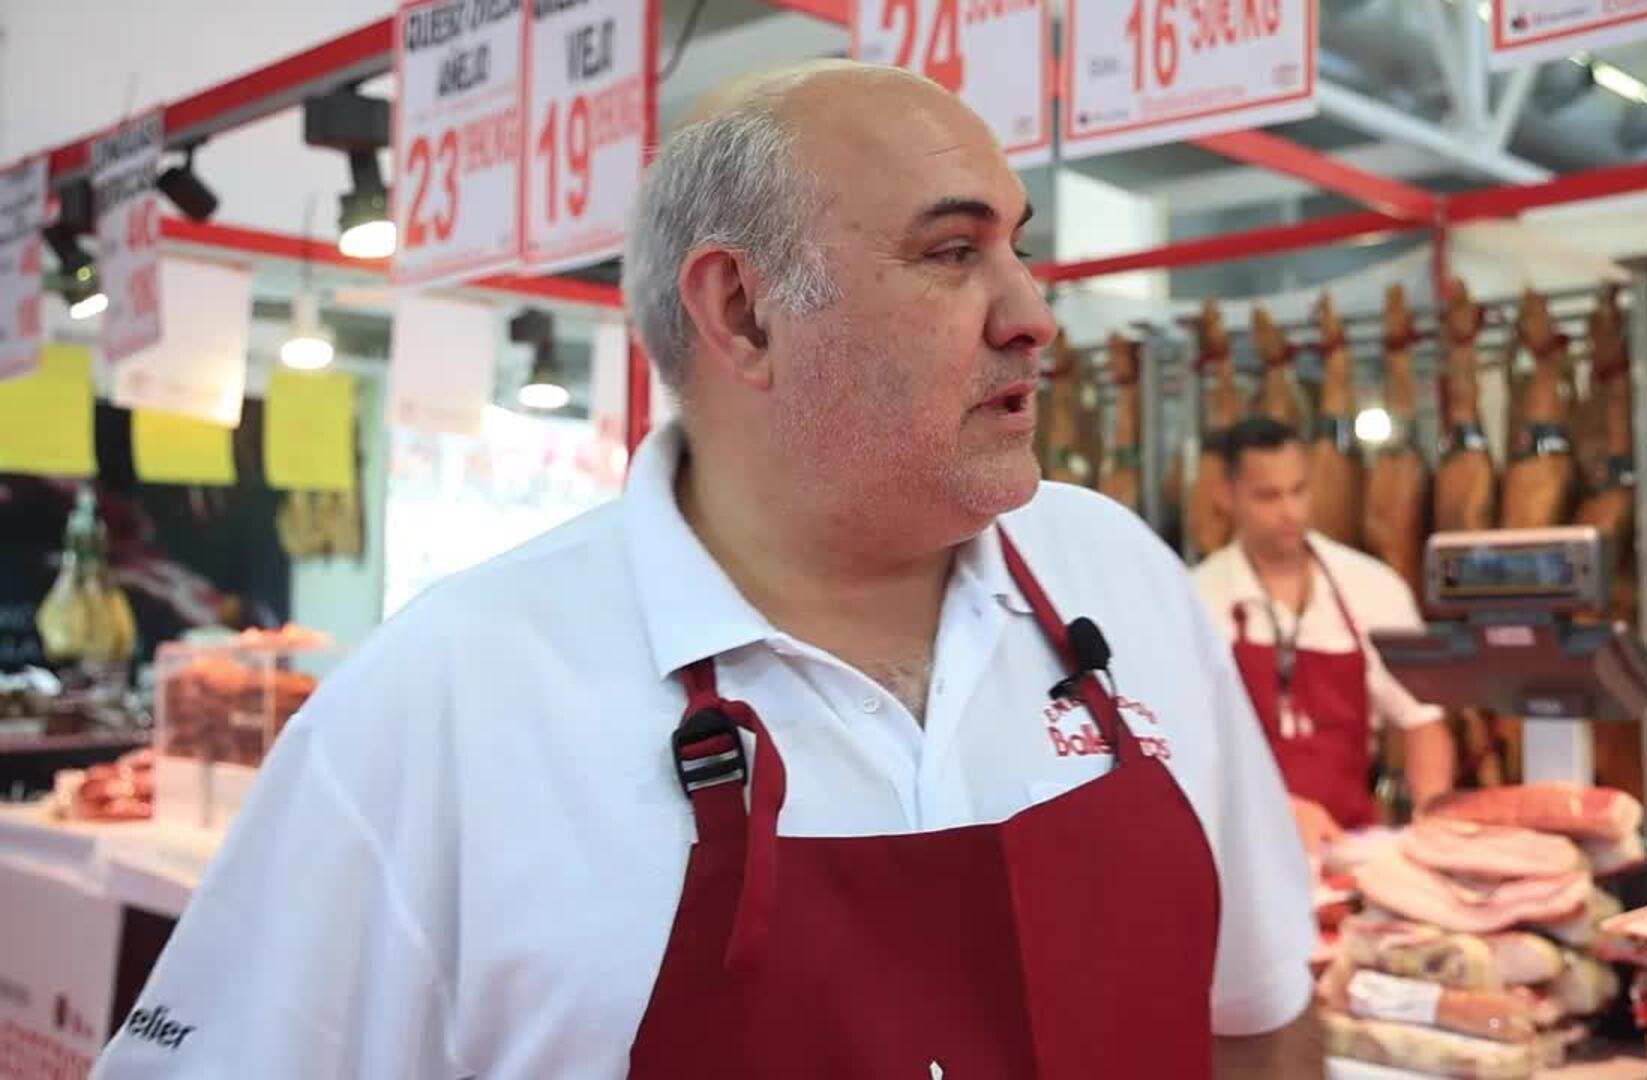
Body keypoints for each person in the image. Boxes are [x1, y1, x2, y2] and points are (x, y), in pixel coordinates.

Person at [96, 62, 1325, 1078]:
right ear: (741, 312)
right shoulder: (447, 700)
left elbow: (1262, 1021)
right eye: (954, 253)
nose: (1034, 314)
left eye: (1018, 247)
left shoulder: (1121, 575)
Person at [1190, 417, 1455, 853]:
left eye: (1299, 490)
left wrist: (1430, 820)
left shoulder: (1372, 587)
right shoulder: (1199, 597)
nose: (1289, 511)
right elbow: (1184, 745)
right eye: (1268, 496)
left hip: (1351, 845)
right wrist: (1274, 811)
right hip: (1239, 850)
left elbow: (1422, 722)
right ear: (1228, 495)